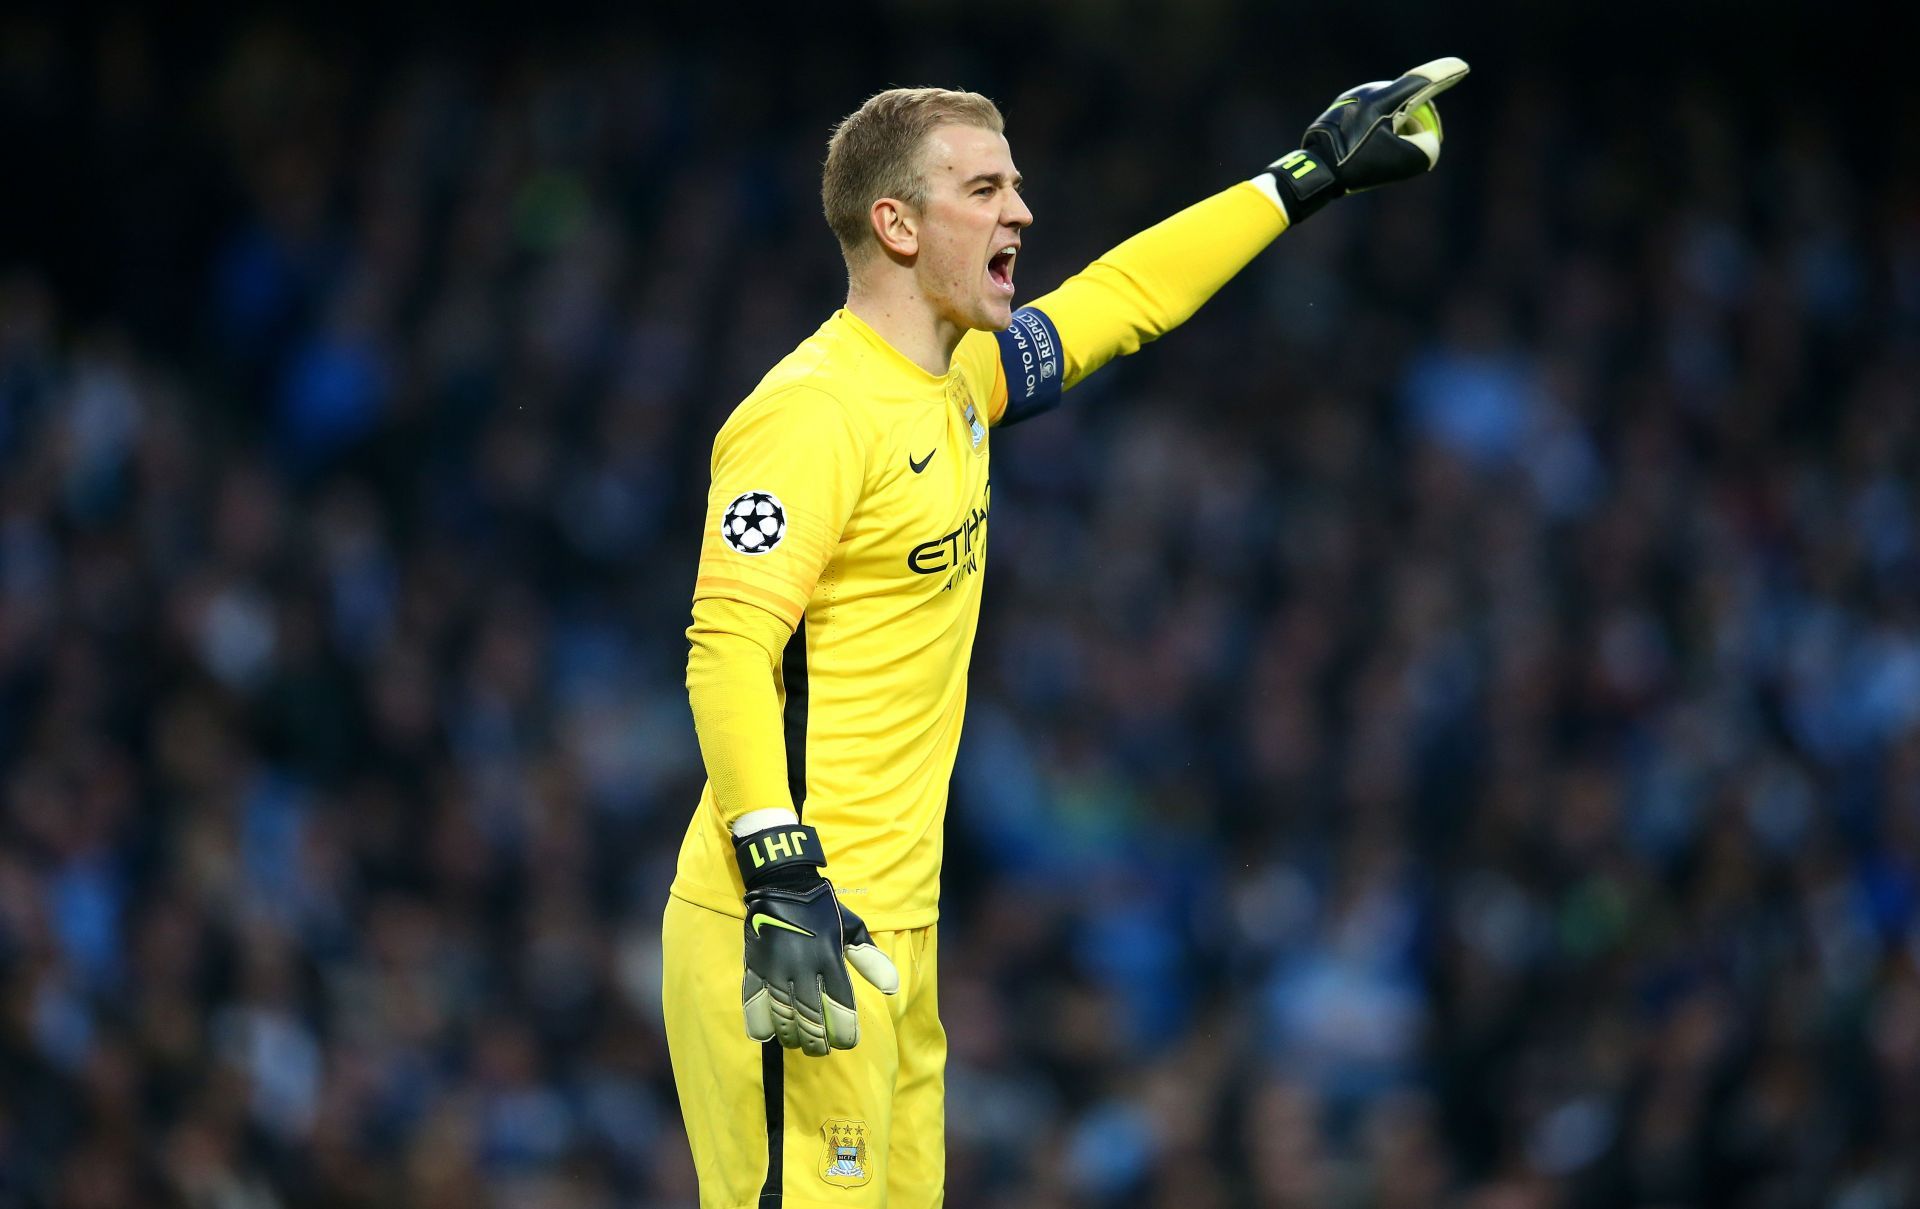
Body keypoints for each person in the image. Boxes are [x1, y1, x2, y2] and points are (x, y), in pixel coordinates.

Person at [661, 60, 1469, 1208]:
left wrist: (1302, 180)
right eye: (985, 191)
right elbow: (728, 643)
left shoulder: (958, 383)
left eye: (1017, 187)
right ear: (895, 224)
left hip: (899, 926)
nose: (1021, 214)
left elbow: (1122, 298)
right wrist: (776, 861)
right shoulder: (811, 415)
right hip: (792, 918)